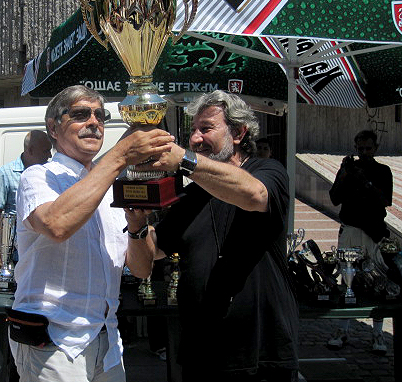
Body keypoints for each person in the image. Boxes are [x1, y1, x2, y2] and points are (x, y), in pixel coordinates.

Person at [127, 90, 299, 381]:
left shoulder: (268, 170)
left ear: (239, 133)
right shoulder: (192, 193)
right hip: (202, 352)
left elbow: (254, 195)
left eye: (206, 128)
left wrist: (184, 160)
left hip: (261, 353)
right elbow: (147, 260)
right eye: (192, 130)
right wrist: (137, 226)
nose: (195, 139)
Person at [9, 85, 175, 382]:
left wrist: (137, 227)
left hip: (107, 340)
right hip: (54, 343)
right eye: (80, 114)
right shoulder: (38, 176)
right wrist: (119, 156)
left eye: (100, 116)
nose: (94, 122)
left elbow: (140, 269)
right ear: (53, 128)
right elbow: (57, 225)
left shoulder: (110, 187)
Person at [327, 129, 392, 354]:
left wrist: (366, 183)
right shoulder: (349, 169)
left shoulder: (383, 171)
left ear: (375, 148)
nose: (364, 152)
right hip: (351, 228)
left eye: (368, 148)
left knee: (379, 280)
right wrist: (344, 174)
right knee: (348, 281)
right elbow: (334, 198)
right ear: (355, 148)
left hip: (373, 231)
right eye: (360, 149)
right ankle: (343, 328)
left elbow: (385, 200)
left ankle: (378, 332)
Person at [0, 130, 52, 214]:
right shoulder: (6, 173)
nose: (50, 155)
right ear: (31, 150)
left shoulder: (49, 172)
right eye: (46, 151)